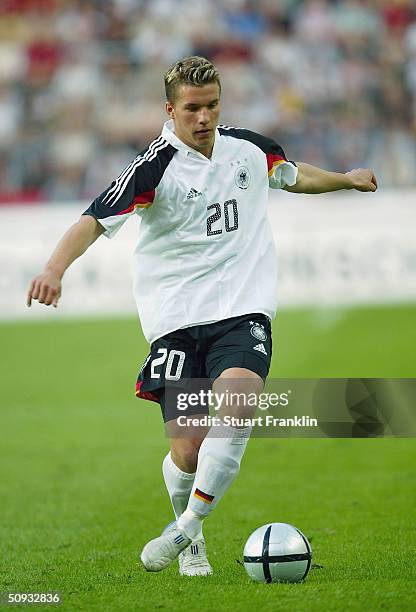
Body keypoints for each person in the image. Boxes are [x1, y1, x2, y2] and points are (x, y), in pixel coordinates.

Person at [27, 56, 377, 576]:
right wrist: (54, 269)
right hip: (175, 318)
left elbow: (294, 175)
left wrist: (345, 180)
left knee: (238, 404)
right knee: (188, 451)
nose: (204, 117)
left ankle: (186, 526)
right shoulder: (154, 167)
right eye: (192, 108)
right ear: (170, 110)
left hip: (242, 308)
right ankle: (191, 535)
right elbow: (94, 220)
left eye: (212, 105)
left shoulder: (249, 149)